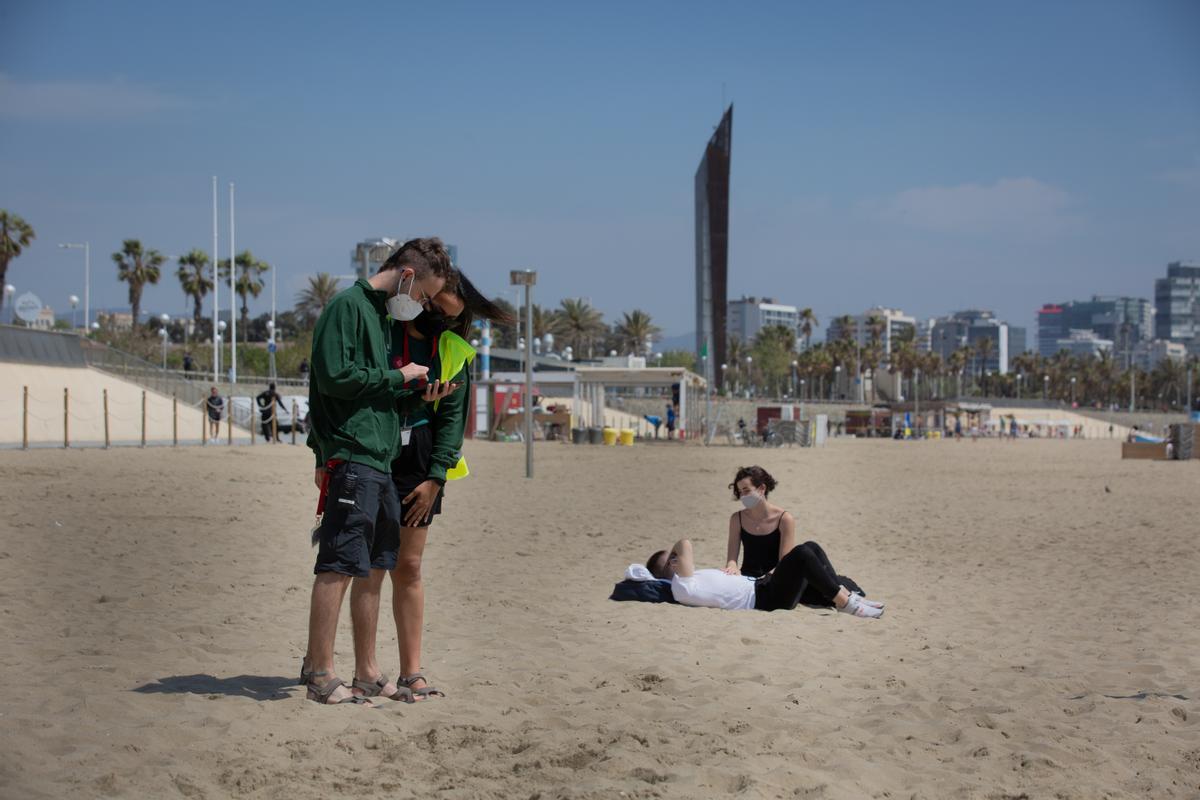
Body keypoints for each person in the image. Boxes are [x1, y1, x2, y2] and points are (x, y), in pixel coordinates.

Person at [301, 237, 452, 705]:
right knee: (338, 564)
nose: (423, 306)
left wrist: (415, 395)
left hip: (380, 457)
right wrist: (398, 377)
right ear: (407, 276)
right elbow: (334, 377)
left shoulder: (379, 315)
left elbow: (370, 391)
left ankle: (366, 671)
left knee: (375, 566)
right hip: (353, 454)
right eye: (425, 295)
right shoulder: (348, 306)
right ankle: (321, 672)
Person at [350, 270, 512, 703]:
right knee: (369, 562)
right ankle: (365, 671)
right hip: (374, 447)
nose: (441, 320)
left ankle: (411, 673)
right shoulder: (382, 329)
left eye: (451, 318)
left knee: (410, 566)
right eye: (437, 309)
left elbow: (452, 421)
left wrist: (435, 479)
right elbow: (360, 390)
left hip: (419, 461)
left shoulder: (454, 352)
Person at [646, 538, 883, 617]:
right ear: (666, 570)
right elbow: (685, 543)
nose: (677, 559)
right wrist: (676, 557)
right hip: (765, 599)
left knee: (811, 547)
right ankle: (846, 604)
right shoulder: (682, 588)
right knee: (801, 554)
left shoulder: (689, 580)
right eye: (671, 560)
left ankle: (847, 597)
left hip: (762, 584)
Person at [722, 465, 794, 579]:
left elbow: (784, 564)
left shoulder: (784, 519)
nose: (743, 496)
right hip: (746, 578)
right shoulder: (737, 519)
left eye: (746, 490)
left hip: (774, 580)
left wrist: (764, 579)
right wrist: (732, 567)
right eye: (740, 491)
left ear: (762, 488)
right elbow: (731, 560)